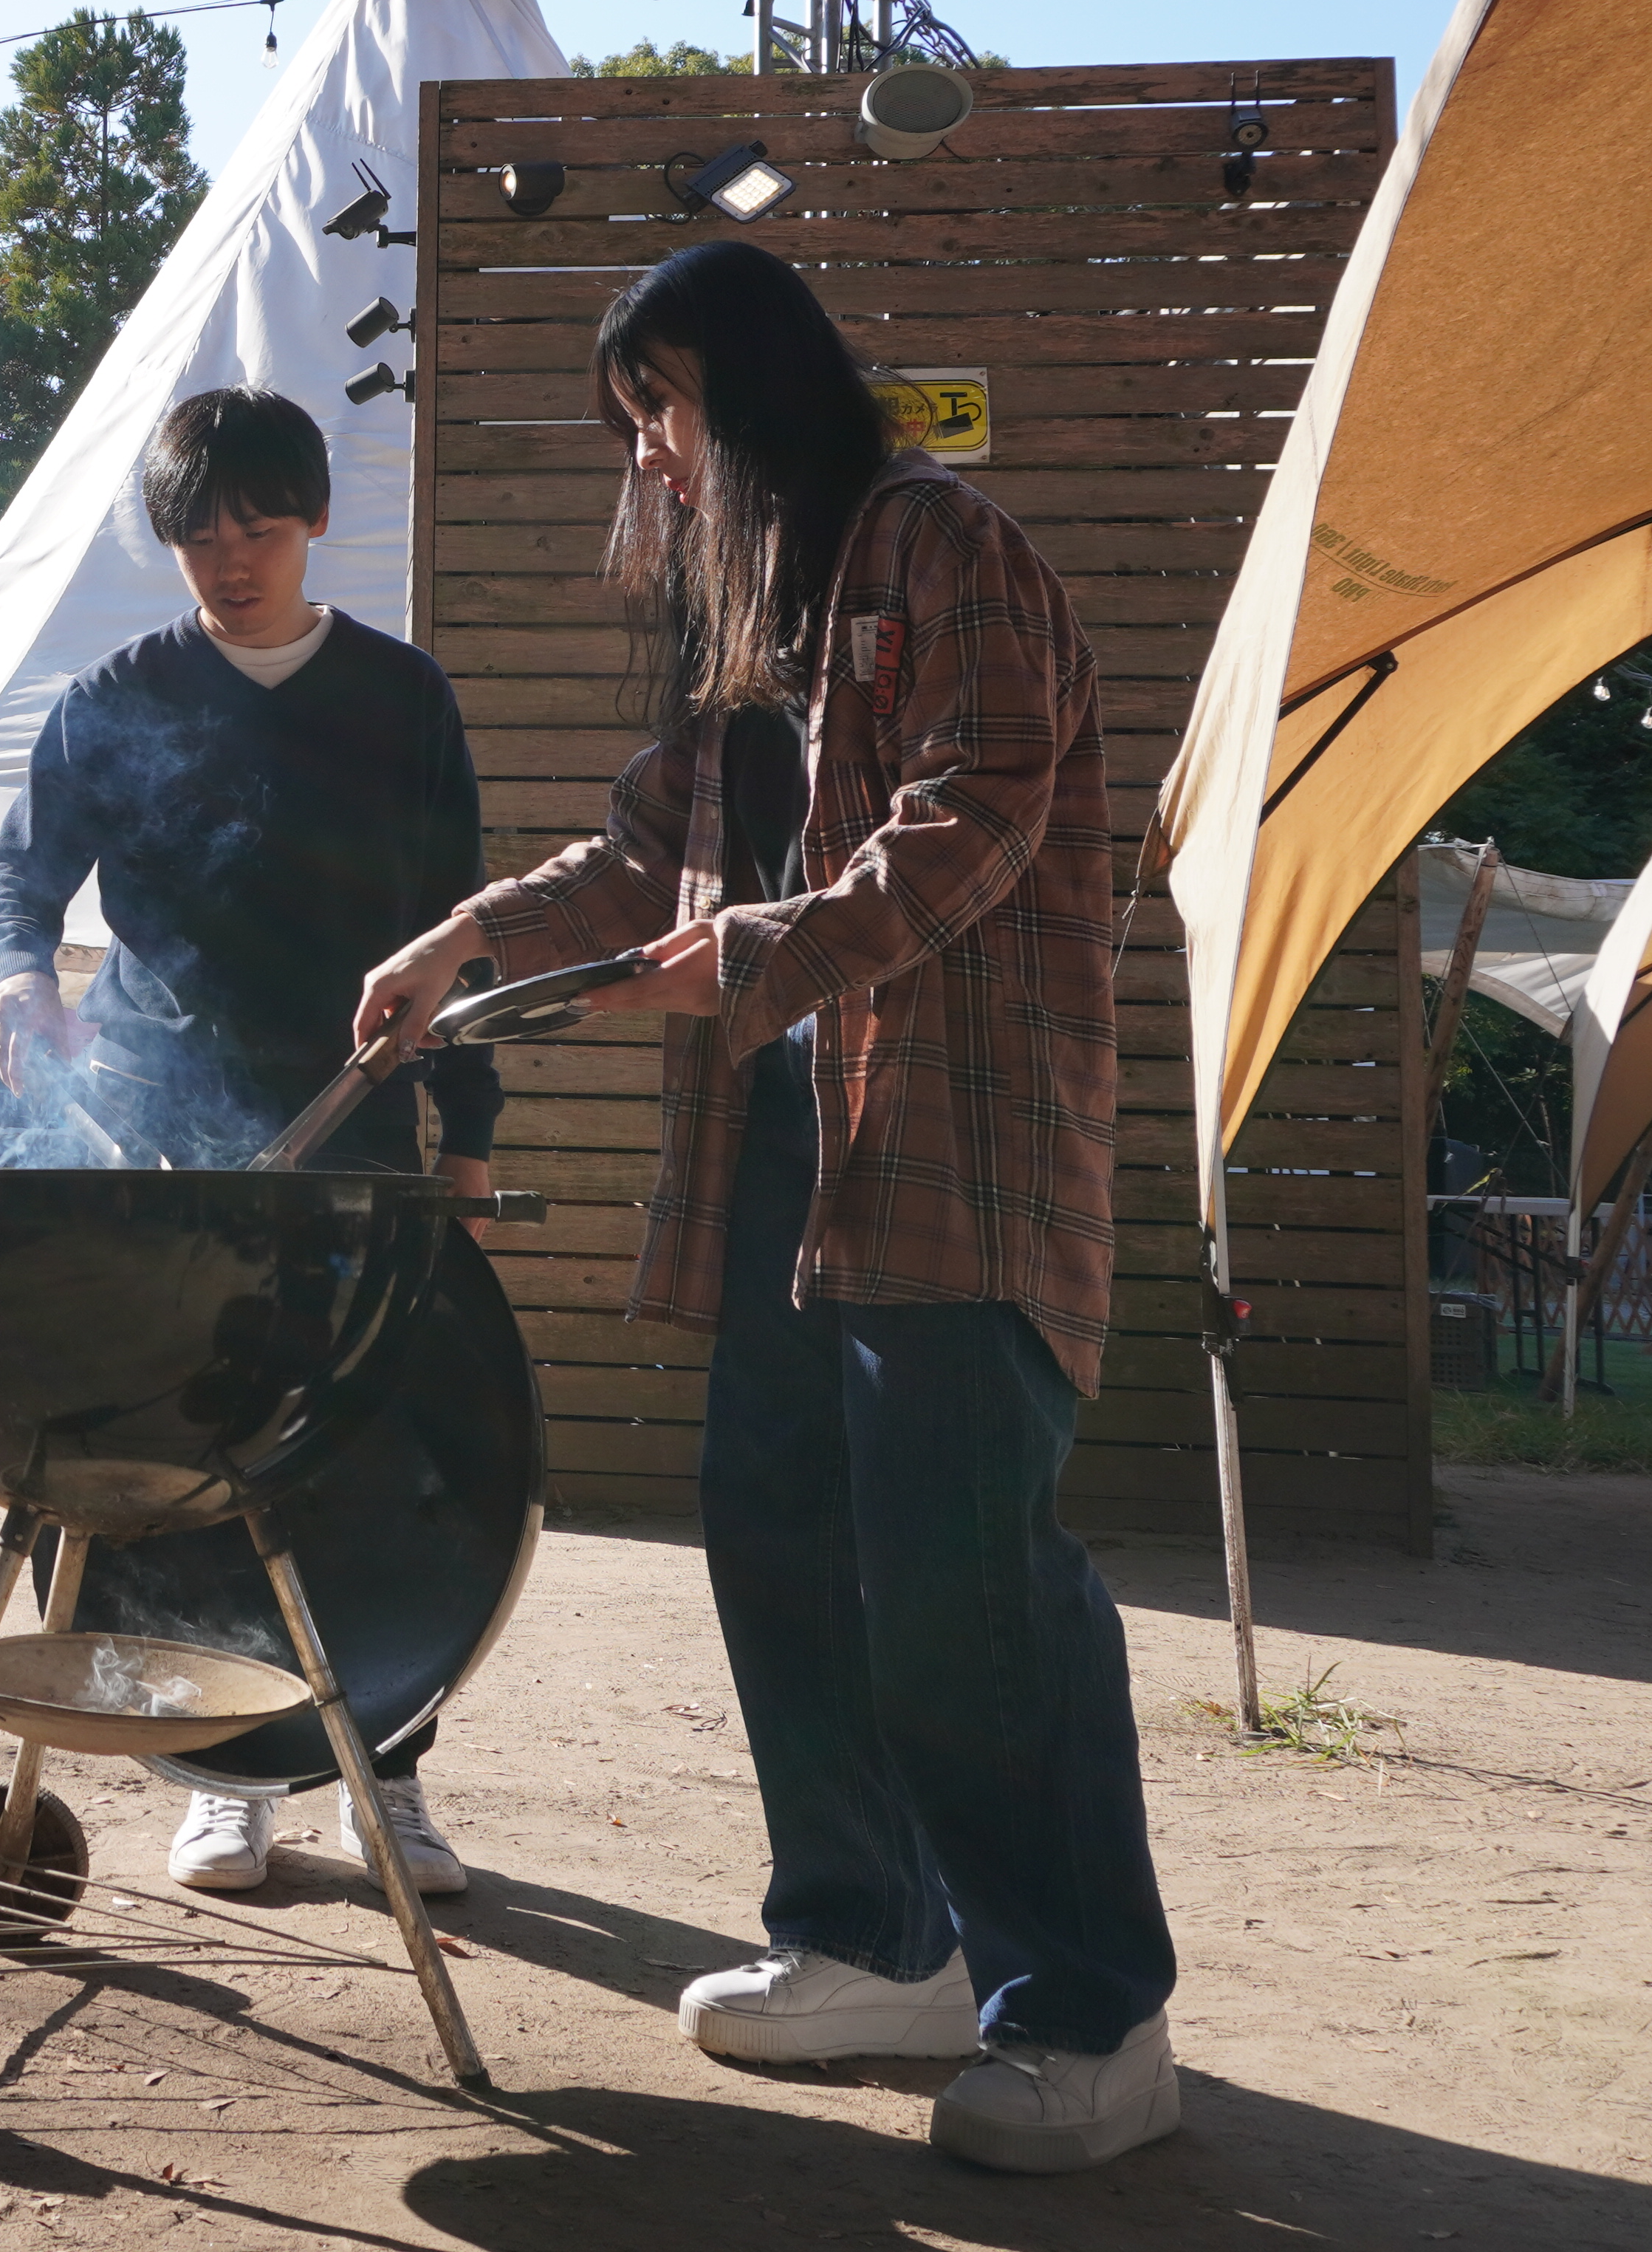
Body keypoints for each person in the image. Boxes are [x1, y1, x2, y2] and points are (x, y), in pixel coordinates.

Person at [349, 242, 1176, 2175]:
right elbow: (638, 859)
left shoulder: (937, 547)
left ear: (759, 389)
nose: (649, 456)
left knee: (970, 1583)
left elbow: (973, 806)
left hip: (959, 1163)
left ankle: (1093, 2012)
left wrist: (758, 950)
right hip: (791, 1168)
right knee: (781, 1536)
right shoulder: (765, 644)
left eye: (664, 408)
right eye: (633, 420)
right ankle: (873, 1936)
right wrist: (458, 941)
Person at [0, 383, 504, 1903]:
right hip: (160, 1133)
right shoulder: (116, 696)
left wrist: (465, 1136)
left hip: (353, 1121)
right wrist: (14, 970)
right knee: (188, 1456)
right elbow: (19, 881)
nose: (229, 560)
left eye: (258, 527)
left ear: (314, 519)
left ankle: (386, 1772)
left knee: (373, 1452)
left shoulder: (402, 700)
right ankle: (218, 1784)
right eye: (198, 534)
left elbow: (459, 930)